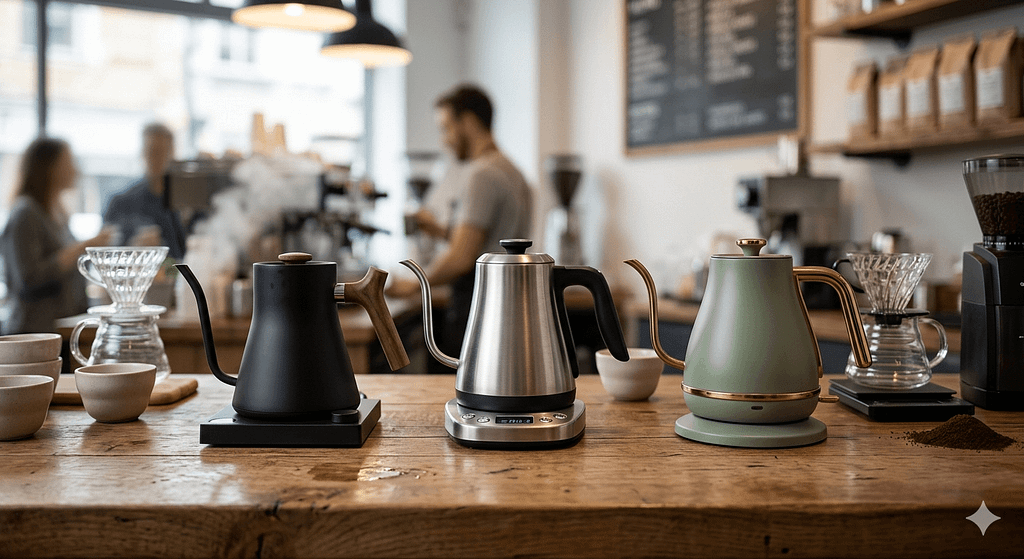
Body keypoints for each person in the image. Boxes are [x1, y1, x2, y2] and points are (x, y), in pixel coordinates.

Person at [389, 84, 533, 357]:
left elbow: (461, 257)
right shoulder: (512, 171)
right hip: (507, 304)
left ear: (468, 122)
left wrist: (415, 284)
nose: (444, 140)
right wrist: (439, 230)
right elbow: (489, 241)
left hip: (478, 307)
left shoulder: (482, 175)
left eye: (446, 128)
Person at [0, 138, 113, 335]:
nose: (76, 170)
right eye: (68, 162)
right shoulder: (25, 213)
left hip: (61, 328)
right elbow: (28, 278)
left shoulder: (56, 213)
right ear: (49, 167)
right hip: (33, 333)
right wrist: (80, 248)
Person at [103, 123, 186, 259]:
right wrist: (133, 251)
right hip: (135, 271)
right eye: (151, 151)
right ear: (142, 153)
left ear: (172, 154)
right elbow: (105, 256)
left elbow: (192, 259)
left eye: (162, 152)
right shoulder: (122, 203)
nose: (156, 159)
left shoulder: (186, 205)